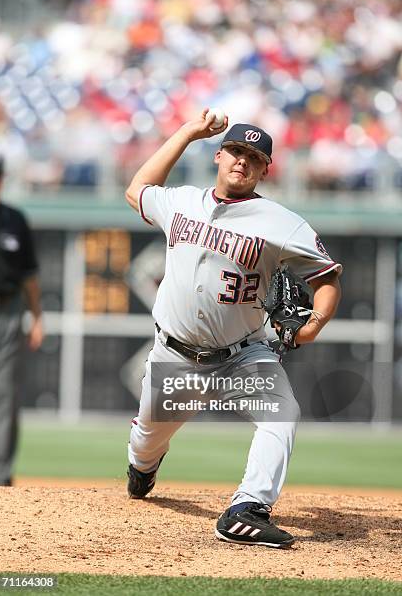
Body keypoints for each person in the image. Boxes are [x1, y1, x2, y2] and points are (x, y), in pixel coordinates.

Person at [124, 109, 342, 548]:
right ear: (219, 156)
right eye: (236, 152)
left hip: (242, 355)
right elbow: (137, 190)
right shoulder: (181, 201)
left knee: (282, 416)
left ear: (265, 169)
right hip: (175, 357)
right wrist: (187, 133)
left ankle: (247, 509)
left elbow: (326, 278)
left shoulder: (283, 223)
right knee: (145, 444)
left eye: (254, 157)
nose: (243, 161)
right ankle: (144, 468)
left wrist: (313, 325)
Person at [0, 152, 44, 486]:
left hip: (8, 310)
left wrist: (37, 317)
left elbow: (29, 276)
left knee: (5, 394)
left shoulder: (14, 219)